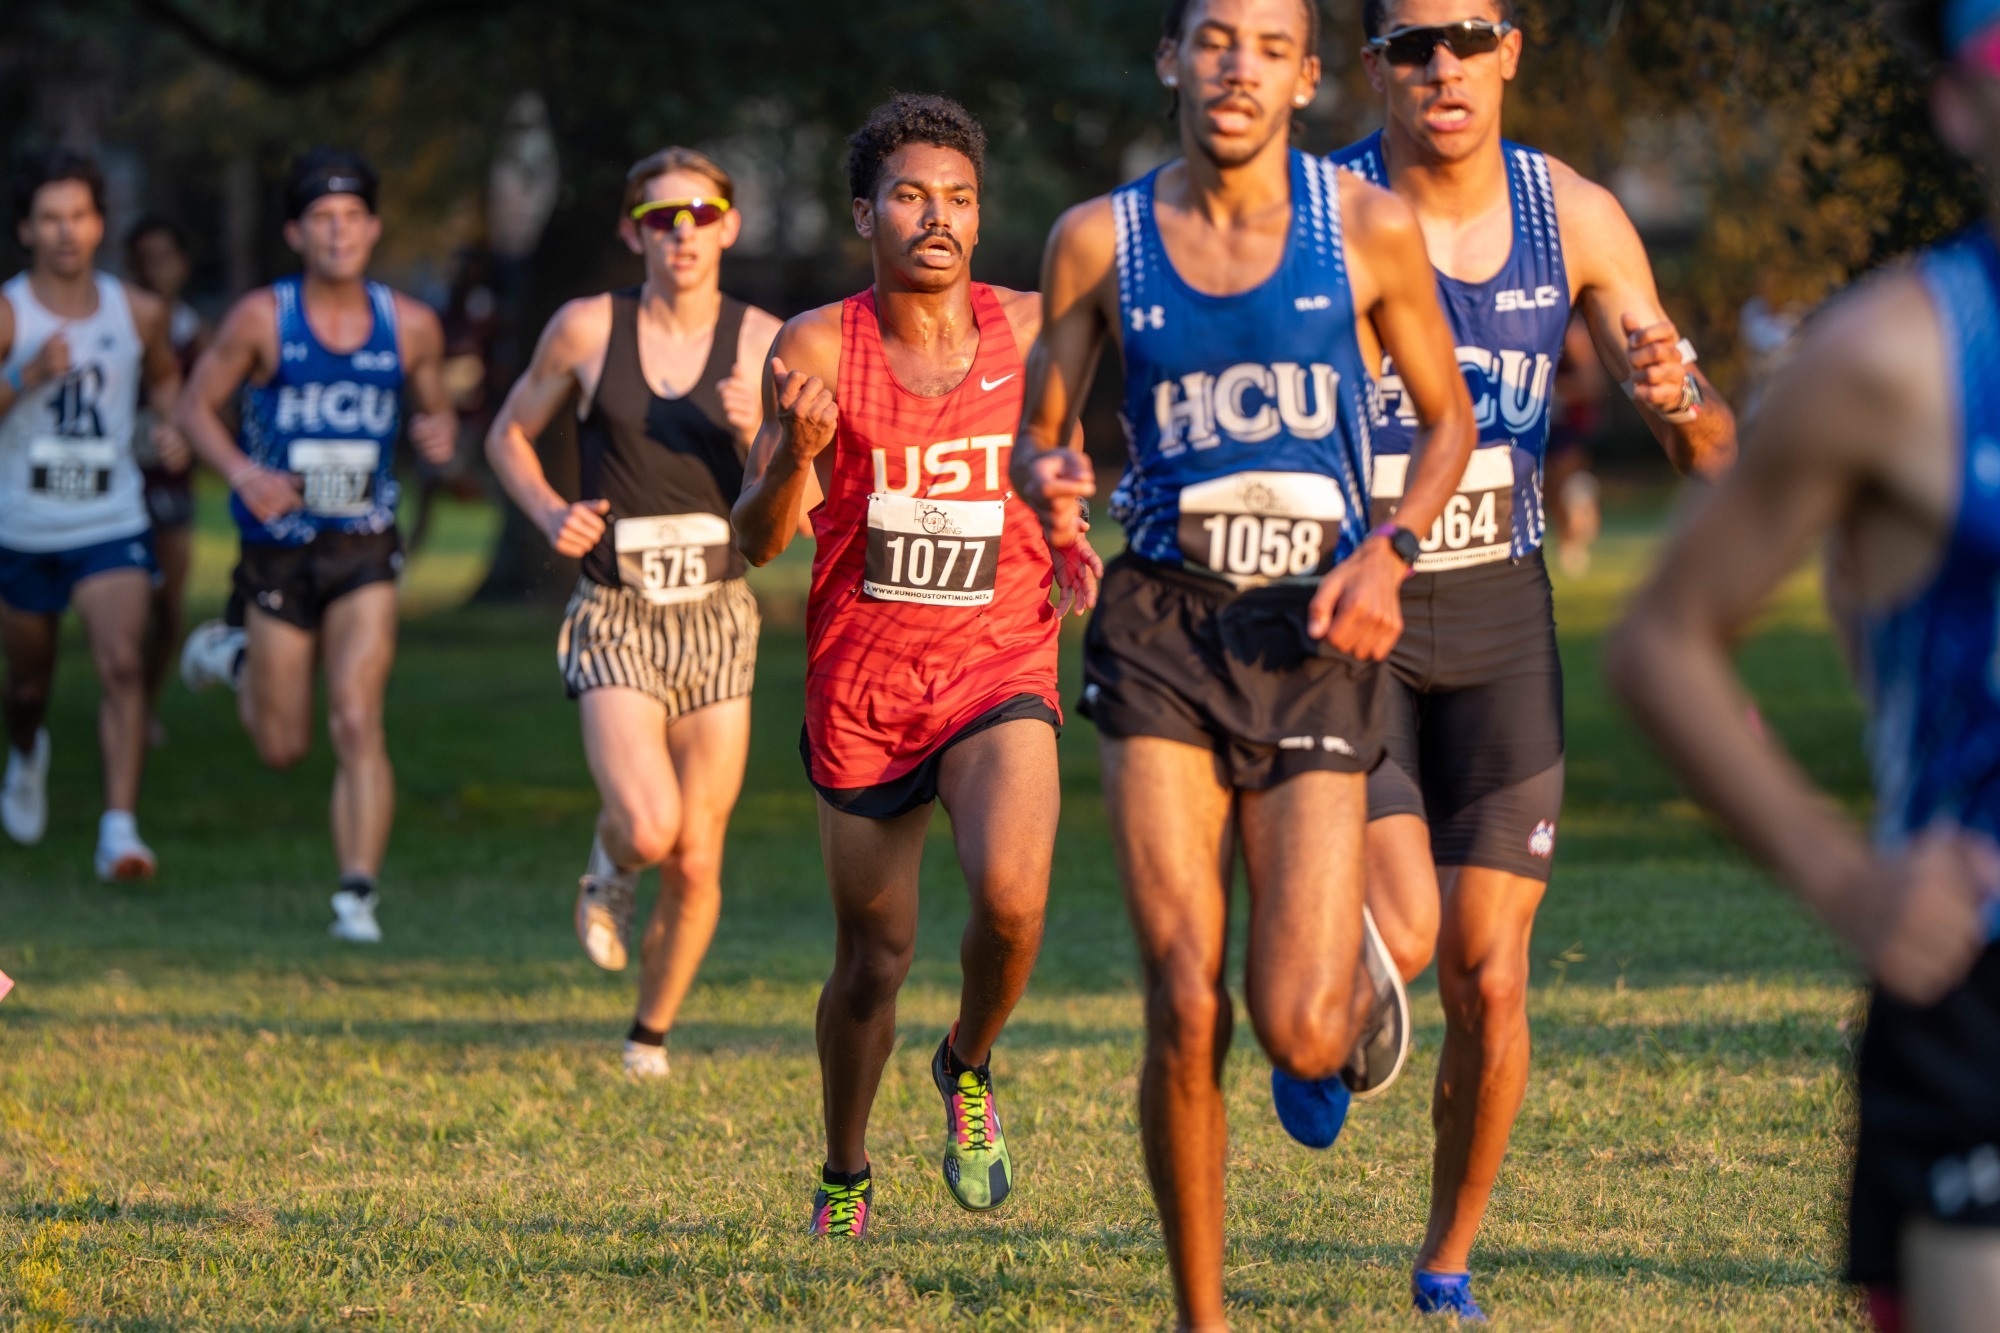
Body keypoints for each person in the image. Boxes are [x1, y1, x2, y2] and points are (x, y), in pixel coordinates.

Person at [1013, 0, 1477, 1323]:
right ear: (1172, 58)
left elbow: (1444, 424)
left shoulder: (1366, 230)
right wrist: (1049, 475)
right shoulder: (1098, 240)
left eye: (1271, 48)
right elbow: (1044, 431)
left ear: (1310, 78)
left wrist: (1388, 551)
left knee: (1298, 1028)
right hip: (1164, 629)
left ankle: (1336, 990)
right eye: (1215, 38)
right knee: (1180, 991)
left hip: (1314, 629)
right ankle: (1200, 1316)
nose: (1238, 67)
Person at [1276, 2, 1739, 1317]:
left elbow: (1714, 449)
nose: (1444, 66)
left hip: (1498, 626)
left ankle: (1446, 1260)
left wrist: (1677, 398)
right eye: (1414, 45)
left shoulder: (1575, 216)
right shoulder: (1318, 206)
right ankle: (1309, 988)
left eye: (1468, 37)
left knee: (1491, 971)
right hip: (1348, 614)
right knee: (1409, 936)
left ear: (1511, 50)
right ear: (1374, 68)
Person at [1611, 3, 2000, 1327]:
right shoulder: (1898, 358)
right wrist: (1845, 875)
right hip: (1978, 997)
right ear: (1958, 105)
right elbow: (1662, 638)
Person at [734, 93, 1099, 1237]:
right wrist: (795, 454)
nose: (934, 217)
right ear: (864, 214)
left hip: (998, 664)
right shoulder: (810, 346)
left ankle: (967, 1064)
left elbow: (1063, 453)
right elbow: (755, 536)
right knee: (871, 962)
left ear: (979, 219)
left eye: (957, 199)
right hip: (865, 688)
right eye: (907, 195)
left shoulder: (1038, 328)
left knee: (1013, 897)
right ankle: (844, 1167)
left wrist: (1070, 511)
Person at [485, 147, 780, 1079]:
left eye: (701, 211)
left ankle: (648, 1033)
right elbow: (506, 435)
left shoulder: (768, 343)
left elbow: (808, 512)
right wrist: (548, 512)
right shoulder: (585, 328)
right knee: (652, 828)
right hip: (617, 610)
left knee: (697, 856)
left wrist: (753, 434)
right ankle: (611, 862)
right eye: (661, 216)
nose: (683, 230)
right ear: (633, 232)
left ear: (730, 223)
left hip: (720, 615)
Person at [175, 149, 455, 942]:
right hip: (278, 546)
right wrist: (242, 473)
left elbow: (436, 423)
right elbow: (197, 409)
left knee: (358, 715)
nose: (338, 233)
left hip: (364, 542)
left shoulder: (412, 323)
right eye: (321, 220)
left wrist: (440, 437)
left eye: (352, 218)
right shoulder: (264, 317)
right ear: (297, 231)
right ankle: (236, 659)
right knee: (282, 744)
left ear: (373, 227)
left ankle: (356, 896)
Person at [0, 149, 188, 879]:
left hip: (110, 520)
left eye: (77, 215)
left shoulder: (137, 311)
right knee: (26, 683)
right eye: (49, 218)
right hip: (22, 524)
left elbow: (169, 381)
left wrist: (169, 424)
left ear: (99, 223)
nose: (65, 231)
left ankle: (120, 830)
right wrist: (24, 374)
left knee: (120, 664)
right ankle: (25, 751)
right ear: (26, 229)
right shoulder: (11, 312)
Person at [124, 216, 207, 744]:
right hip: (116, 484)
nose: (156, 269)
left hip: (172, 485)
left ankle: (144, 705)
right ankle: (124, 705)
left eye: (164, 257)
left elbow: (210, 412)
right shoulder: (112, 322)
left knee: (167, 608)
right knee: (124, 610)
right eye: (144, 258)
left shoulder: (195, 334)